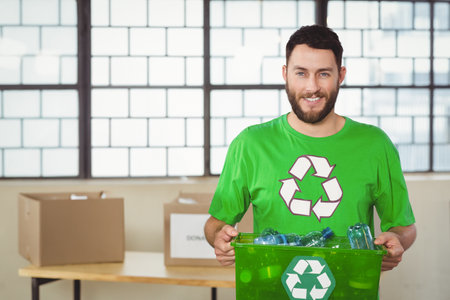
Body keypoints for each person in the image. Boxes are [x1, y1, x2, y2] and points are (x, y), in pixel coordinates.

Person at [204, 25, 416, 271]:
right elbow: (215, 224)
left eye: (324, 74)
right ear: (285, 74)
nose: (312, 87)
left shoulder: (375, 145)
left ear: (341, 75)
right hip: (271, 290)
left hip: (350, 291)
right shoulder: (250, 145)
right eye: (301, 73)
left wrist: (398, 240)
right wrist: (219, 238)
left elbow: (404, 227)